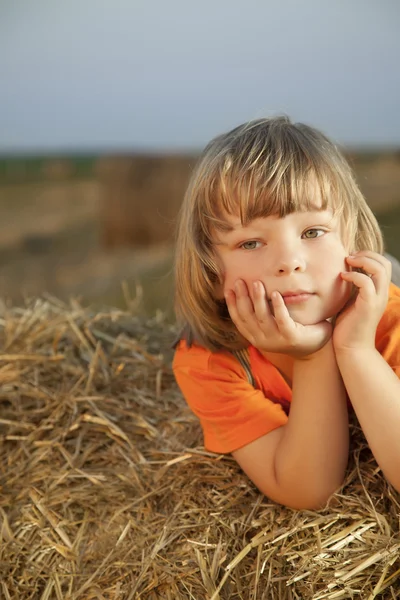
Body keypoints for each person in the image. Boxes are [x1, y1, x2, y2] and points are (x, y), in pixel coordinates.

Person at [172, 116, 400, 510]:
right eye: (250, 243)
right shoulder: (210, 362)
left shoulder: (390, 321)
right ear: (211, 274)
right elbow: (308, 490)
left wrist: (357, 350)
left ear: (354, 241)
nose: (289, 261)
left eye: (313, 232)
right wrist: (312, 355)